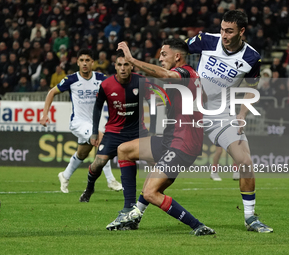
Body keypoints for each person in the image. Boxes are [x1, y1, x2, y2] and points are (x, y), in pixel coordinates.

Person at [104, 39, 215, 236]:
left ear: (177, 57)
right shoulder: (191, 76)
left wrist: (131, 59)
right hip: (171, 139)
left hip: (182, 145)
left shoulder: (185, 72)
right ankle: (130, 212)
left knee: (151, 192)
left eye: (164, 54)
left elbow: (165, 74)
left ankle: (198, 226)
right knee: (124, 150)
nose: (160, 58)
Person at [186, 10, 272, 232]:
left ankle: (250, 218)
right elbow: (176, 52)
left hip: (221, 116)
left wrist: (242, 114)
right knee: (162, 164)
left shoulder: (252, 58)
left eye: (229, 31)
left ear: (241, 32)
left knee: (245, 162)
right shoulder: (207, 40)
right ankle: (136, 209)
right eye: (222, 29)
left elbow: (251, 90)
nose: (224, 35)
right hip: (189, 112)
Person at [39, 48, 122, 194]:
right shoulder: (71, 79)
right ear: (77, 62)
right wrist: (45, 114)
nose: (84, 63)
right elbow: (52, 92)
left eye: (87, 60)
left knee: (82, 154)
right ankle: (111, 180)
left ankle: (64, 175)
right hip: (78, 122)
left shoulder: (101, 78)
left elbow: (116, 89)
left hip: (93, 123)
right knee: (102, 140)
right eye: (82, 60)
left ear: (92, 62)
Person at [78, 50, 150, 203]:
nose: (123, 68)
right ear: (115, 66)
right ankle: (89, 188)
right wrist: (94, 133)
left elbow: (154, 103)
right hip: (114, 132)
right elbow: (97, 108)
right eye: (119, 65)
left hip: (138, 132)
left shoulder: (141, 81)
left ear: (131, 66)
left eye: (126, 64)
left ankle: (148, 194)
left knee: (157, 162)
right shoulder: (106, 85)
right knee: (98, 163)